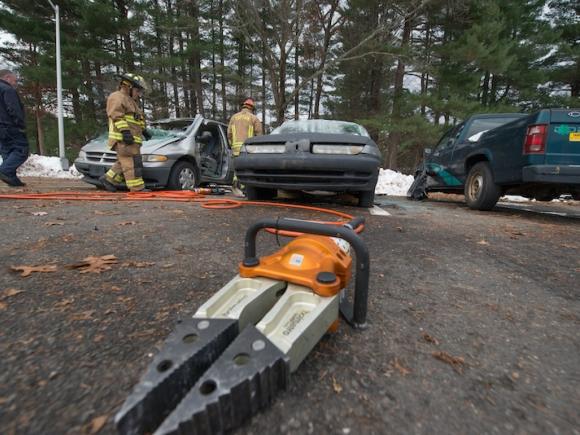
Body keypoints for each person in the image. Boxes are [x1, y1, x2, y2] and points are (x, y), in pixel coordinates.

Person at [100, 72, 152, 192]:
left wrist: (144, 130)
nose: (139, 94)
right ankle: (137, 188)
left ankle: (108, 180)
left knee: (123, 161)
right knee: (132, 163)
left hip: (132, 138)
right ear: (128, 87)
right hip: (123, 138)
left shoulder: (130, 100)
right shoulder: (117, 97)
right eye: (138, 91)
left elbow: (135, 119)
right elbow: (116, 115)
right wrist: (125, 132)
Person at [227, 98, 262, 196]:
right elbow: (259, 135)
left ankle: (237, 186)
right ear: (252, 108)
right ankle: (244, 189)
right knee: (246, 168)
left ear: (243, 106)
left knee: (237, 168)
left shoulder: (234, 117)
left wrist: (232, 144)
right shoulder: (253, 118)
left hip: (235, 147)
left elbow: (229, 133)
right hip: (247, 147)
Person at [0, 69, 29, 187]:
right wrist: (20, 124)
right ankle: (5, 171)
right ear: (7, 78)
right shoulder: (7, 89)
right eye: (14, 80)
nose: (15, 83)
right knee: (21, 149)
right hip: (9, 125)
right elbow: (13, 109)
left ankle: (11, 178)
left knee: (8, 150)